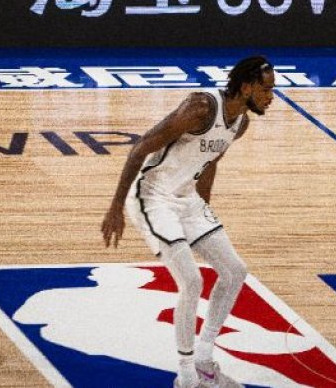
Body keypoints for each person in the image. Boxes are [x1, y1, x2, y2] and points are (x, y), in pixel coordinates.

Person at [101, 55, 276, 388]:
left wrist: (204, 212)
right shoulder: (200, 108)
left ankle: (205, 359)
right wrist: (115, 207)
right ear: (246, 87)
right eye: (267, 90)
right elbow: (140, 149)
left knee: (235, 271)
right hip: (152, 197)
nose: (271, 97)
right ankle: (186, 376)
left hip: (187, 200)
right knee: (192, 282)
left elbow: (210, 161)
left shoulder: (240, 124)